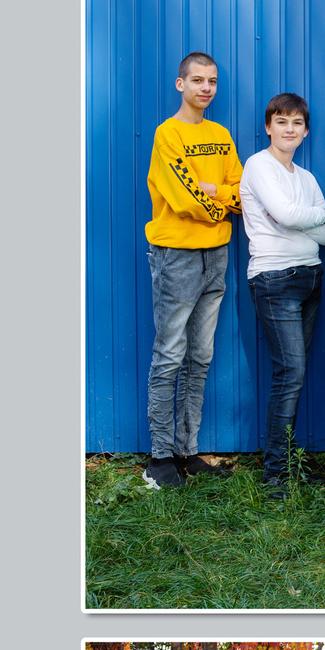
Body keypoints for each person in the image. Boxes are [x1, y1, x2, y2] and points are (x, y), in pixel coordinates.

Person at [143, 52, 243, 491]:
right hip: (177, 256)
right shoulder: (168, 135)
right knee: (169, 354)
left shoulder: (221, 135)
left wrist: (220, 196)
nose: (206, 87)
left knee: (199, 357)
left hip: (215, 256)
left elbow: (244, 194)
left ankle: (186, 450)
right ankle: (159, 458)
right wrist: (221, 203)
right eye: (198, 80)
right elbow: (184, 199)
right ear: (180, 84)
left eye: (213, 81)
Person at [236, 93, 325, 499]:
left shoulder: (306, 178)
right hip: (275, 279)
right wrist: (310, 216)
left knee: (295, 373)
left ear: (305, 130)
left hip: (311, 278)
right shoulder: (259, 165)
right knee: (289, 373)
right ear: (268, 127)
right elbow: (294, 216)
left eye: (296, 123)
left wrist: (302, 218)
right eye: (282, 121)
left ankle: (287, 465)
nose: (289, 129)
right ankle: (275, 474)